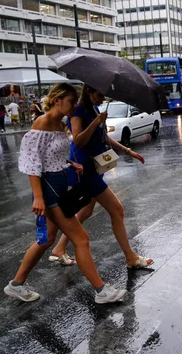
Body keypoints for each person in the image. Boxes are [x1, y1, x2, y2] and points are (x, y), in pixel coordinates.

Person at [4, 83, 127, 304]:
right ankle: (101, 291)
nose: (74, 107)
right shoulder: (41, 123)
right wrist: (39, 197)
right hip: (49, 192)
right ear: (58, 100)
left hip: (59, 187)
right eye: (72, 102)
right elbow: (32, 164)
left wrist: (70, 163)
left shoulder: (60, 125)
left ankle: (16, 284)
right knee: (81, 238)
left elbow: (53, 156)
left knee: (47, 240)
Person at [49, 85, 153, 268]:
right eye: (99, 94)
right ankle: (130, 257)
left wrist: (127, 150)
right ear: (89, 92)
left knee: (86, 211)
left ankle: (59, 248)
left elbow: (103, 136)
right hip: (85, 168)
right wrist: (96, 121)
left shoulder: (94, 108)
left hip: (95, 167)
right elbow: (79, 140)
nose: (103, 98)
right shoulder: (78, 111)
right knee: (117, 210)